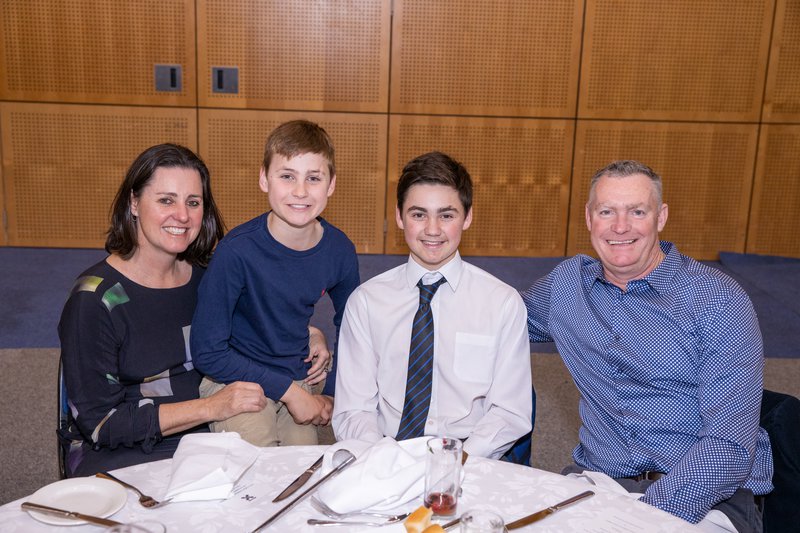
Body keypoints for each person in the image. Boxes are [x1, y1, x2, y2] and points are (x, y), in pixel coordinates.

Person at [521, 160, 773, 532]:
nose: (620, 226)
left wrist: (640, 519)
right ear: (589, 218)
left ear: (661, 217)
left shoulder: (717, 301)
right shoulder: (566, 287)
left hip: (707, 496)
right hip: (599, 482)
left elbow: (728, 447)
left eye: (637, 212)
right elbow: (496, 318)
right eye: (607, 211)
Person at [58, 144, 269, 477]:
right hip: (125, 448)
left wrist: (310, 335)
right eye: (166, 200)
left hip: (212, 432)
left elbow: (260, 326)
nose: (182, 216)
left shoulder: (209, 278)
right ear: (134, 203)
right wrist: (210, 407)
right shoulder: (95, 300)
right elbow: (101, 425)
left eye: (193, 202)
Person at [332, 151, 532, 459]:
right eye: (418, 214)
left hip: (469, 454)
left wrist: (456, 462)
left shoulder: (502, 303)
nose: (433, 229)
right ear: (399, 216)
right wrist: (383, 461)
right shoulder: (367, 302)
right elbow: (354, 409)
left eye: (447, 215)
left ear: (467, 217)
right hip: (386, 451)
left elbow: (509, 412)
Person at [191, 120, 360, 447]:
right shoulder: (236, 252)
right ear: (264, 179)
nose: (300, 192)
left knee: (303, 470)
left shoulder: (339, 250)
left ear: (332, 184)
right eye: (287, 176)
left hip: (294, 373)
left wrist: (333, 394)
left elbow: (356, 332)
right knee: (259, 470)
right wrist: (291, 393)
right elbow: (207, 352)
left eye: (313, 178)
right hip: (235, 377)